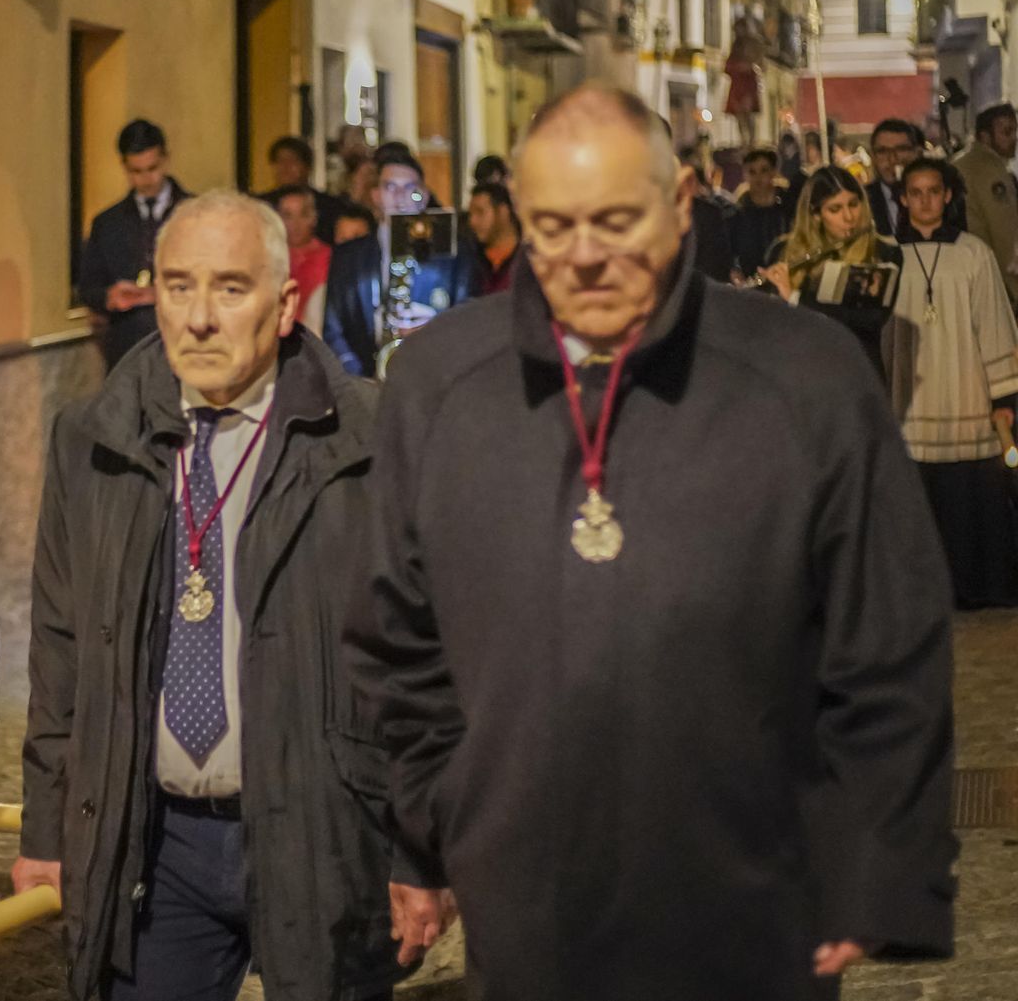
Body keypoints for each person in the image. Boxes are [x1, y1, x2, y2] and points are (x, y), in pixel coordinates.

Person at [346, 84, 957, 1001]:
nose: (584, 256)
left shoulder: (807, 374)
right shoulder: (438, 383)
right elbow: (396, 633)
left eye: (615, 221)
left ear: (678, 208)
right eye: (552, 227)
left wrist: (877, 867)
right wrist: (455, 814)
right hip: (530, 907)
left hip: (757, 899)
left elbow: (890, 635)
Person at [13, 190, 453, 1001]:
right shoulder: (93, 439)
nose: (199, 317)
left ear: (284, 304)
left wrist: (422, 850)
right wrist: (48, 826)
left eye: (229, 287)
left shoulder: (373, 437)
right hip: (157, 839)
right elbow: (61, 649)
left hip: (323, 825)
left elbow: (426, 659)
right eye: (177, 286)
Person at [887, 156, 1018, 607]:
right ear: (903, 199)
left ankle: (977, 590)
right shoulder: (888, 255)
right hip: (912, 398)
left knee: (969, 506)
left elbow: (995, 327)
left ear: (947, 196)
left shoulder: (973, 254)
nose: (925, 201)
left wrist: (1005, 398)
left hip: (967, 396)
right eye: (915, 193)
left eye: (934, 192)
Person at [322, 144, 472, 376]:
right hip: (365, 383)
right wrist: (356, 377)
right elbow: (332, 327)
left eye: (409, 188)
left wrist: (434, 328)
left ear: (423, 197)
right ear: (375, 196)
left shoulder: (454, 256)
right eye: (390, 187)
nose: (400, 197)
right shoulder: (347, 256)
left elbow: (469, 316)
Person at [761, 166, 902, 377]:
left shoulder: (884, 252)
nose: (848, 217)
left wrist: (796, 298)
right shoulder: (784, 252)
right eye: (835, 209)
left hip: (857, 373)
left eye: (853, 204)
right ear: (816, 215)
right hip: (802, 373)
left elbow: (870, 321)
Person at [80, 119, 191, 369]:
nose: (146, 180)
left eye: (152, 168)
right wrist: (110, 296)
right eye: (136, 172)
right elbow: (88, 286)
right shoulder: (107, 222)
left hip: (184, 342)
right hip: (127, 348)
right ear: (124, 166)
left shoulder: (194, 214)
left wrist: (162, 293)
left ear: (165, 159)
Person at [952, 103, 1018, 310]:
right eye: (1006, 132)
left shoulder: (961, 163)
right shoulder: (988, 169)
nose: (1014, 138)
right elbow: (1004, 232)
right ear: (985, 136)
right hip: (991, 279)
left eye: (1015, 130)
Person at [726, 146, 794, 283]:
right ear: (745, 174)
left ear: (774, 172)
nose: (758, 177)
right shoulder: (736, 216)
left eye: (764, 170)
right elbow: (729, 253)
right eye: (752, 172)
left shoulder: (789, 209)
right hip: (751, 284)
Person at [260, 135, 344, 246]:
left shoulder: (330, 206)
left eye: (292, 161)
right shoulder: (261, 206)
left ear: (307, 166)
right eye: (280, 161)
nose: (285, 167)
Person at [277, 184, 332, 333]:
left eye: (303, 215)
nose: (295, 224)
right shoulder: (270, 258)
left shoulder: (331, 258)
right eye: (288, 215)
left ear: (314, 218)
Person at [865, 118, 920, 239]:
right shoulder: (862, 200)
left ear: (916, 153)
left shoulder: (936, 196)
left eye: (901, 149)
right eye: (883, 151)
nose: (893, 159)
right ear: (872, 156)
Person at [465, 182, 521, 296]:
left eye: (480, 212)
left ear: (503, 212)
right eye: (470, 214)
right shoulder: (470, 261)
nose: (472, 222)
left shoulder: (530, 262)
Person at [724, 12, 766, 148]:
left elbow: (759, 64)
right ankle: (744, 141)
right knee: (740, 117)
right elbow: (728, 67)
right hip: (738, 87)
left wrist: (749, 67)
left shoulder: (753, 44)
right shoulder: (736, 46)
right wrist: (739, 68)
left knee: (748, 115)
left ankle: (751, 142)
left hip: (748, 86)